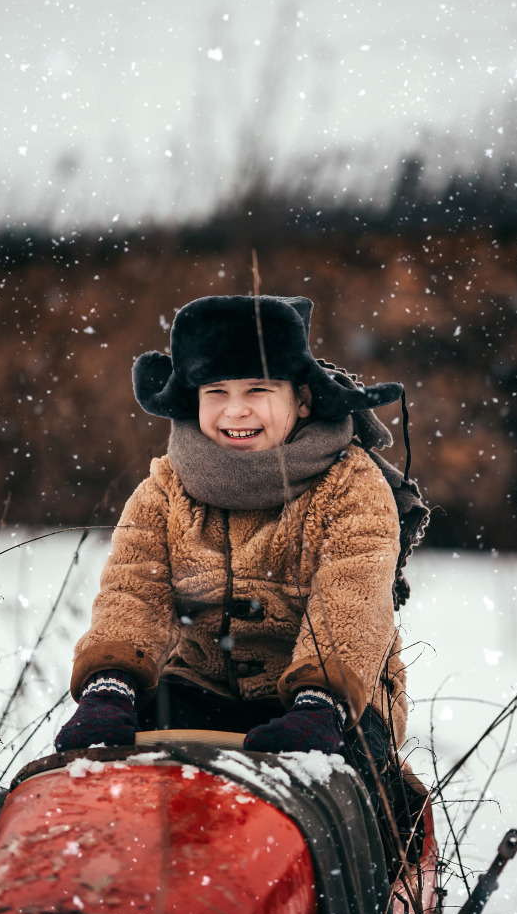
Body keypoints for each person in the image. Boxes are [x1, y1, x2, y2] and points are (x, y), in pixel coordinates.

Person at [55, 294, 428, 804]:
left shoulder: (351, 485)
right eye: (217, 391)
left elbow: (352, 599)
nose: (236, 410)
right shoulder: (165, 488)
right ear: (194, 399)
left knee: (348, 798)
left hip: (336, 700)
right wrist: (111, 682)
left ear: (302, 399)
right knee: (112, 770)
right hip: (201, 689)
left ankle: (377, 857)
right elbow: (133, 591)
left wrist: (320, 702)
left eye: (258, 389)